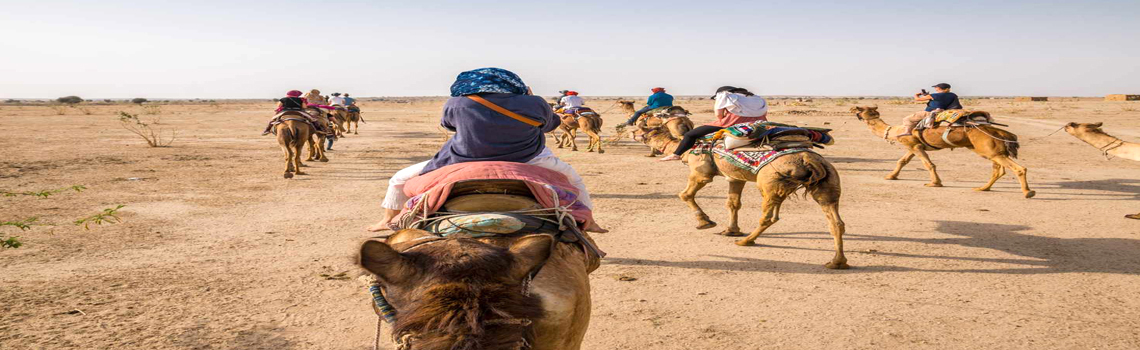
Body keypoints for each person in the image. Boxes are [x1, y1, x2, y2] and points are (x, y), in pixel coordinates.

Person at [367, 68, 601, 232]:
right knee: (573, 179)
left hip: (462, 160)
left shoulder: (456, 102)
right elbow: (551, 125)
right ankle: (588, 221)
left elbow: (448, 126)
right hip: (530, 159)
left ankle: (387, 220)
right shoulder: (536, 102)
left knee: (399, 179)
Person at [659, 86, 768, 161]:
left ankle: (676, 154)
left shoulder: (725, 95)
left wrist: (725, 118)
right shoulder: (757, 98)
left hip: (731, 123)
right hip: (759, 124)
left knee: (690, 134)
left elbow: (718, 115)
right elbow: (764, 112)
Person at [898, 83, 963, 137]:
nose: (935, 88)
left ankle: (908, 131)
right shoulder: (953, 95)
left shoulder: (934, 95)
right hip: (943, 111)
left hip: (929, 112)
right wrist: (927, 95)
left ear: (939, 88)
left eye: (936, 87)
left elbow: (917, 99)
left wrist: (917, 95)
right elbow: (942, 99)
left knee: (907, 119)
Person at [263, 90, 327, 135]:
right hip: (298, 111)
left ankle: (267, 130)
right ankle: (319, 128)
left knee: (273, 119)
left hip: (285, 111)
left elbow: (279, 106)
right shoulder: (301, 99)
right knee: (312, 118)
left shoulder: (283, 99)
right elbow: (304, 107)